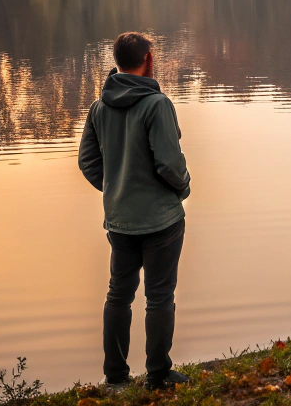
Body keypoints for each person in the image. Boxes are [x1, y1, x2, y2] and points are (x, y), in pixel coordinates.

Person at [78, 32, 191, 392]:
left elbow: (87, 162)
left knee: (118, 294)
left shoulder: (99, 107)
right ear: (149, 59)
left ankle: (115, 377)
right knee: (159, 296)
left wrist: (116, 189)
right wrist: (183, 188)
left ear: (117, 62)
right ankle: (157, 375)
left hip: (121, 220)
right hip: (161, 220)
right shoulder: (156, 104)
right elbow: (170, 164)